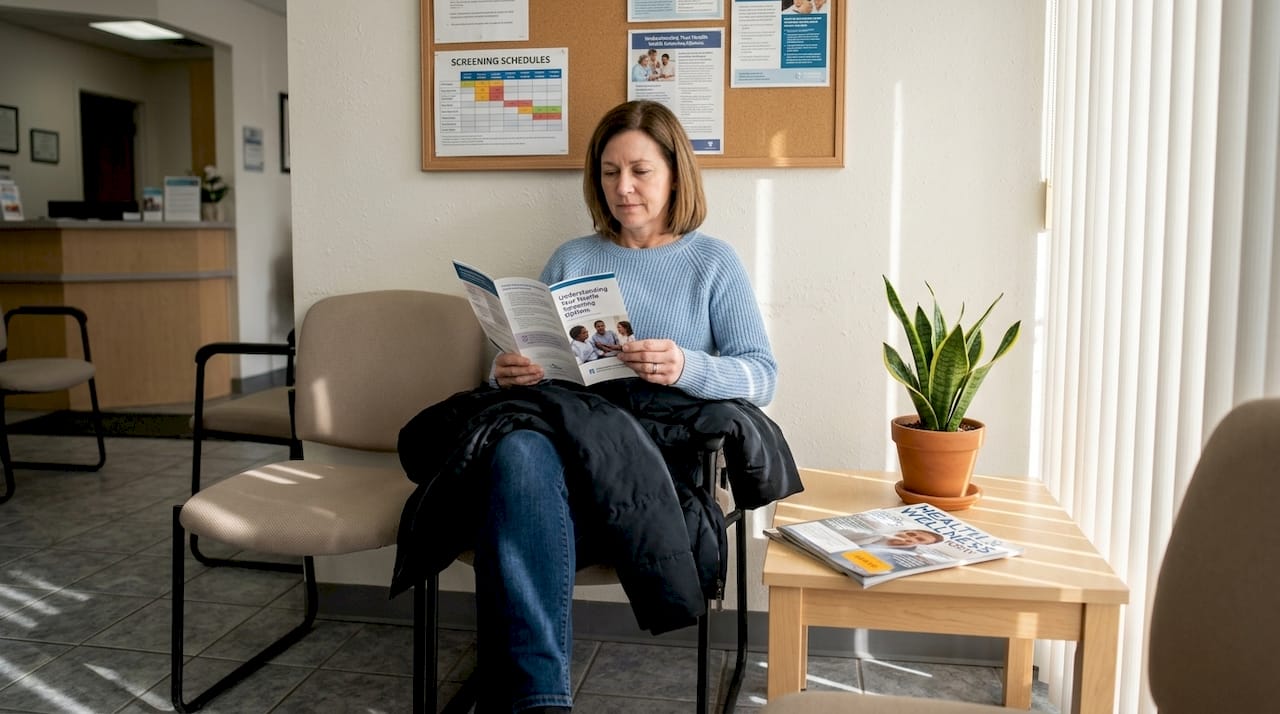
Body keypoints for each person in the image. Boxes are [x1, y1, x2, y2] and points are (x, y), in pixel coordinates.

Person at [482, 100, 777, 712]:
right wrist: (509, 371)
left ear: (675, 174)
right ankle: (543, 700)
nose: (624, 188)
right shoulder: (572, 259)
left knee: (517, 472)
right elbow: (545, 363)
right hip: (569, 450)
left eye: (640, 170)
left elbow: (763, 377)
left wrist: (685, 365)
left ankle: (530, 692)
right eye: (610, 172)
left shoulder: (711, 263)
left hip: (659, 465)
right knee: (516, 445)